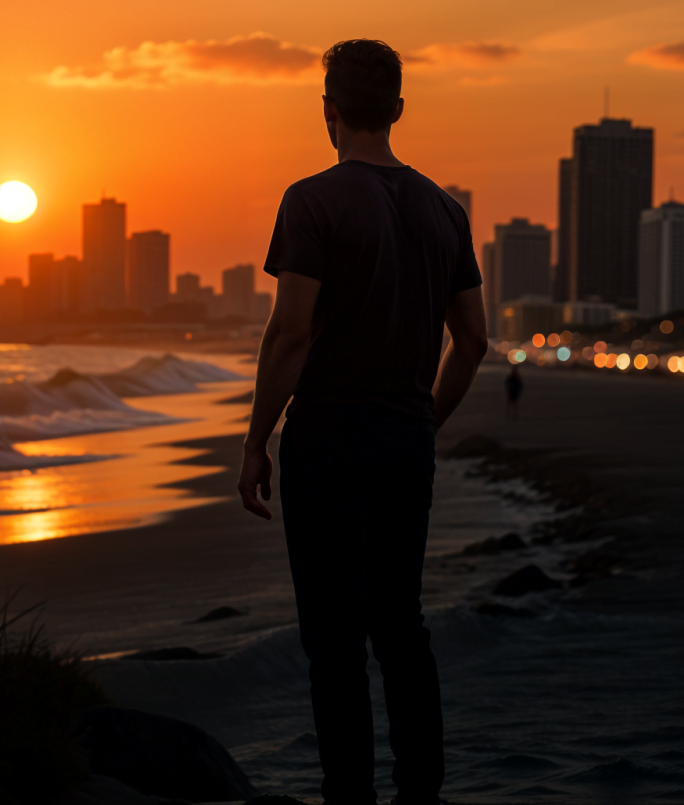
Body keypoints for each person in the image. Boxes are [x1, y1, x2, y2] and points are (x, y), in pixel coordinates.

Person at [238, 39, 489, 805]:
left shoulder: (311, 200)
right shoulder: (446, 210)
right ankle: (422, 793)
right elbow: (474, 340)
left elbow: (291, 331)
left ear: (329, 111)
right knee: (401, 627)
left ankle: (350, 797)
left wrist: (257, 441)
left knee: (336, 641)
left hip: (331, 437)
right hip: (405, 439)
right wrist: (424, 421)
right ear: (399, 110)